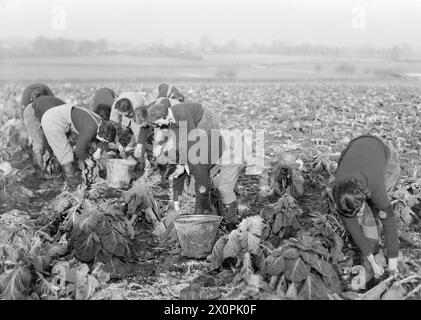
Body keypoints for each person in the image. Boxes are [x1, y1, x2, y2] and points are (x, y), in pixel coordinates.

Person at [148, 101, 243, 228]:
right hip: (211, 150)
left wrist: (197, 215)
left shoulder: (194, 159)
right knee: (201, 181)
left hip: (233, 152)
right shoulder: (179, 159)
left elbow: (202, 187)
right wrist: (176, 202)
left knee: (223, 189)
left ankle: (232, 222)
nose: (159, 126)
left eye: (158, 123)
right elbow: (177, 177)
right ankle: (213, 207)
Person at [332, 135, 400, 277]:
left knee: (378, 210)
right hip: (355, 145)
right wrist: (373, 263)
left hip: (383, 154)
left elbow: (389, 222)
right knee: (365, 219)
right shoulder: (339, 189)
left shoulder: (376, 186)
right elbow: (352, 226)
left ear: (363, 195)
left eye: (358, 210)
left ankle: (375, 234)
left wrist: (393, 266)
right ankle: (373, 243)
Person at [40, 103, 116, 188]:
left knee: (65, 148)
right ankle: (73, 186)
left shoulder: (101, 122)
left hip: (61, 115)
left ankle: (60, 173)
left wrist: (98, 151)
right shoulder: (89, 130)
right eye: (103, 140)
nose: (103, 142)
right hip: (52, 122)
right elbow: (79, 151)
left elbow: (102, 140)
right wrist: (87, 160)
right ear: (99, 134)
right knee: (66, 156)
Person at [23, 95, 65, 171]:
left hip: (44, 110)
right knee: (39, 143)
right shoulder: (63, 118)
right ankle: (40, 170)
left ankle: (51, 166)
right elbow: (48, 137)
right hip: (32, 112)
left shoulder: (67, 114)